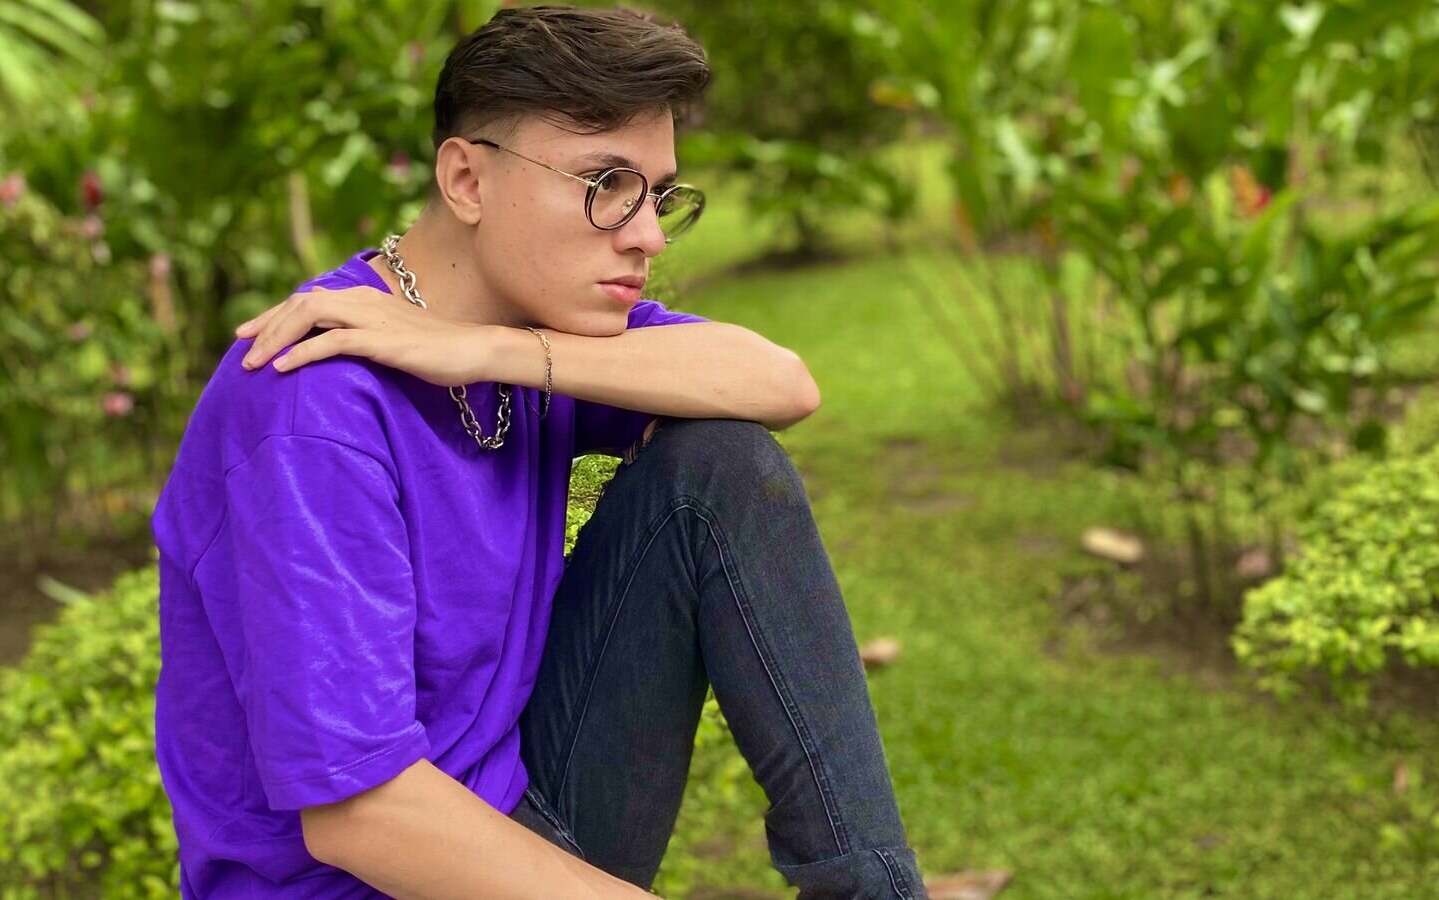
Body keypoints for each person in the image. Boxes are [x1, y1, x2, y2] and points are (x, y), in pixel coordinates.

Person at [150, 5, 929, 898]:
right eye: (605, 183)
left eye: (658, 194)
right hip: (372, 875)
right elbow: (361, 817)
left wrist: (484, 350)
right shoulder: (312, 401)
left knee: (719, 464)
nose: (647, 234)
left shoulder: (529, 326)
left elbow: (781, 383)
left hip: (525, 803)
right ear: (467, 180)